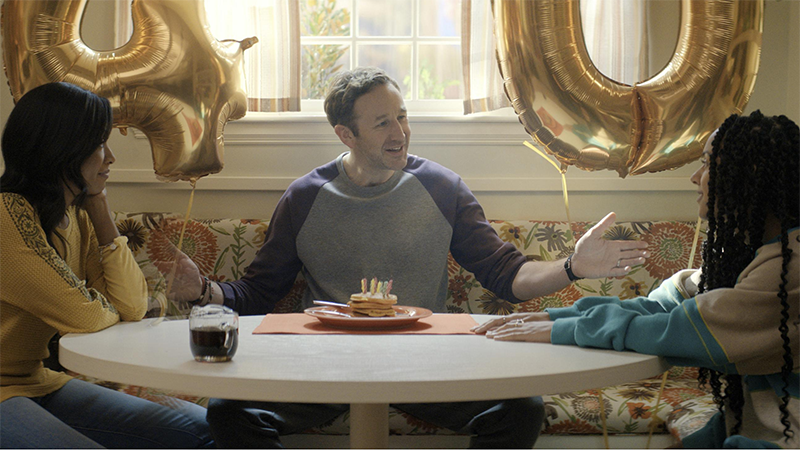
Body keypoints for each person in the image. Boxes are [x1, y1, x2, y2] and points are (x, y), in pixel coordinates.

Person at [170, 67, 648, 448]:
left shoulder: (442, 187)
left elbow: (505, 274)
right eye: (382, 123)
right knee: (229, 413)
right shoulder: (304, 197)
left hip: (428, 363)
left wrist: (571, 267)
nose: (400, 131)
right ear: (345, 134)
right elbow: (258, 292)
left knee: (520, 409)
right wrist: (203, 293)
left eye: (401, 116)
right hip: (324, 366)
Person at [473, 111, 799, 448]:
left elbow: (685, 330)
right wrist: (556, 317)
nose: (695, 178)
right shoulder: (750, 254)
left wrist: (564, 329)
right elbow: (663, 305)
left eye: (706, 164)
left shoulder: (788, 269)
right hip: (751, 428)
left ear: (749, 175)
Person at [0, 82, 214, 448]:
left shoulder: (76, 216)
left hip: (36, 381)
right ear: (63, 148)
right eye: (101, 144)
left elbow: (131, 307)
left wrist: (99, 211)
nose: (111, 157)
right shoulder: (7, 214)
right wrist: (101, 306)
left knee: (202, 429)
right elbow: (85, 316)